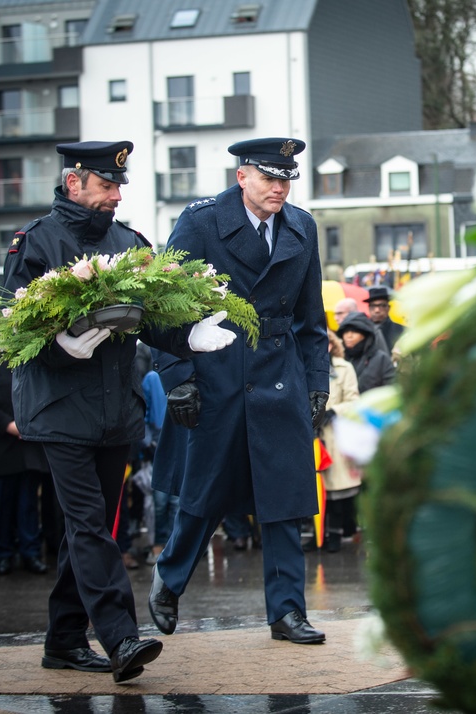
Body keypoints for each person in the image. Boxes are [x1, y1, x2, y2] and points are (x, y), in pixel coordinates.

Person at [3, 140, 237, 683]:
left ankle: (63, 640)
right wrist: (63, 343)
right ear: (73, 183)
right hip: (60, 409)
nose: (114, 196)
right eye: (105, 186)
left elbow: (151, 317)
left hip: (115, 410)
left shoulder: (129, 243)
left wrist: (188, 336)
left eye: (118, 188)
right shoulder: (36, 242)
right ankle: (120, 637)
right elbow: (12, 326)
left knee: (88, 530)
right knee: (89, 525)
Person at [148, 137, 329, 646]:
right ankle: (170, 578)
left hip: (278, 367)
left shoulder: (302, 226)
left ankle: (288, 611)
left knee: (285, 495)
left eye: (287, 179)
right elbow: (167, 306)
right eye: (270, 178)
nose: (280, 188)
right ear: (242, 177)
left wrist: (317, 383)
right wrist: (178, 377)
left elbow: (312, 320)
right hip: (215, 366)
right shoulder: (201, 221)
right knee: (206, 491)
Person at [0, 343, 49, 576]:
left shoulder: (28, 348)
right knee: (2, 503)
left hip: (29, 441)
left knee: (29, 503)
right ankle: (2, 553)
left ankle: (30, 552)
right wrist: (9, 425)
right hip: (0, 441)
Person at [303, 329, 360, 553]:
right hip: (310, 436)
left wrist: (333, 411)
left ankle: (334, 534)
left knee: (335, 490)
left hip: (334, 435)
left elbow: (354, 400)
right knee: (314, 489)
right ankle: (317, 534)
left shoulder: (344, 368)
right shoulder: (302, 365)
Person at [336, 311, 396, 394]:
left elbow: (391, 389)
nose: (349, 336)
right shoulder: (338, 360)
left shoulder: (381, 359)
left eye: (354, 331)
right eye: (345, 332)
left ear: (365, 334)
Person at [364, 286, 405, 352]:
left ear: (388, 308)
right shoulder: (363, 330)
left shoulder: (401, 330)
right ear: (368, 308)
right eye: (373, 306)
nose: (377, 310)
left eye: (381, 306)